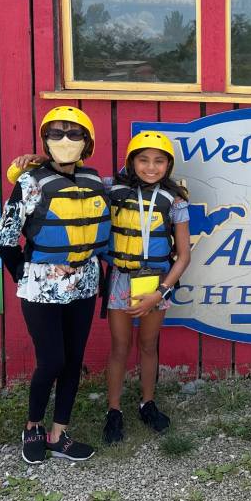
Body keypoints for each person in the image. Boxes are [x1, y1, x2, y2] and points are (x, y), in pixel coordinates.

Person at [0, 106, 110, 464]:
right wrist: (26, 272)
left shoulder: (96, 182)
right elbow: (4, 238)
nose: (65, 141)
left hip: (85, 283)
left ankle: (59, 432)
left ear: (87, 143)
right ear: (44, 140)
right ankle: (33, 426)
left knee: (73, 360)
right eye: (56, 133)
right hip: (41, 286)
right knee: (52, 360)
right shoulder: (29, 182)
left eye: (74, 134)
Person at [102, 131, 191, 444]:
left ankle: (147, 403)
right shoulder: (111, 187)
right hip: (121, 278)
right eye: (143, 159)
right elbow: (75, 181)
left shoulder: (175, 201)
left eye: (158, 161)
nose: (150, 167)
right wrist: (40, 163)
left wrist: (161, 291)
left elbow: (184, 256)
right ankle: (114, 411)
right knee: (119, 346)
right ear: (131, 161)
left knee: (149, 344)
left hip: (155, 282)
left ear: (168, 164)